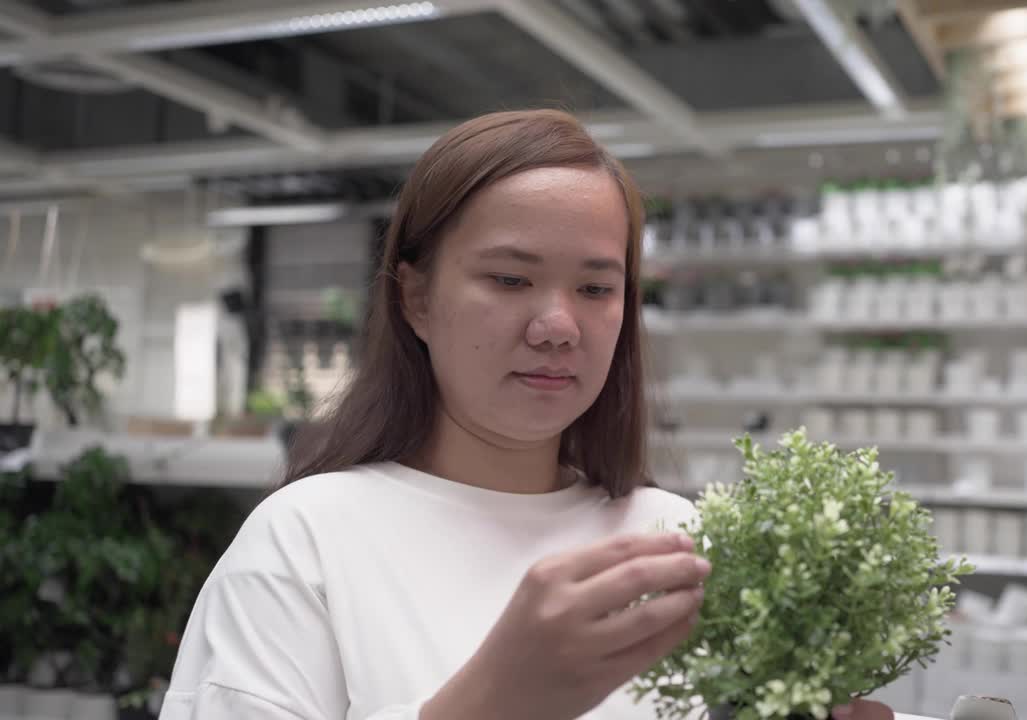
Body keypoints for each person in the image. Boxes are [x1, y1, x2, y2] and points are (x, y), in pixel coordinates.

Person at [158, 109, 892, 720]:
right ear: (415, 298)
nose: (558, 325)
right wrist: (490, 703)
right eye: (511, 279)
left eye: (597, 289)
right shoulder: (306, 541)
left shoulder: (675, 540)